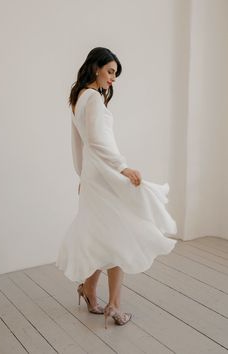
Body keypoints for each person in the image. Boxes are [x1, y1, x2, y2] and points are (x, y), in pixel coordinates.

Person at [56, 47, 178, 329]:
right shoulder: (94, 99)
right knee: (117, 236)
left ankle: (88, 291)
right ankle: (114, 306)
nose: (113, 78)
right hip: (104, 175)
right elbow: (97, 142)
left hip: (93, 175)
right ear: (96, 67)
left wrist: (82, 175)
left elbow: (78, 146)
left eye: (115, 74)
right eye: (110, 71)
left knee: (103, 235)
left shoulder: (78, 99)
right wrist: (122, 167)